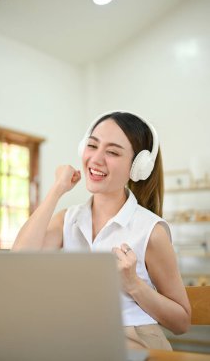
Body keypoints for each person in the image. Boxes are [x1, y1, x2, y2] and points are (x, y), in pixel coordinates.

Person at [12, 111, 191, 350]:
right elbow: (19, 260)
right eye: (92, 146)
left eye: (113, 152)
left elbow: (181, 322)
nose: (96, 159)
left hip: (134, 341)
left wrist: (134, 285)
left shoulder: (151, 231)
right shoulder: (69, 219)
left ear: (138, 168)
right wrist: (57, 189)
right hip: (81, 336)